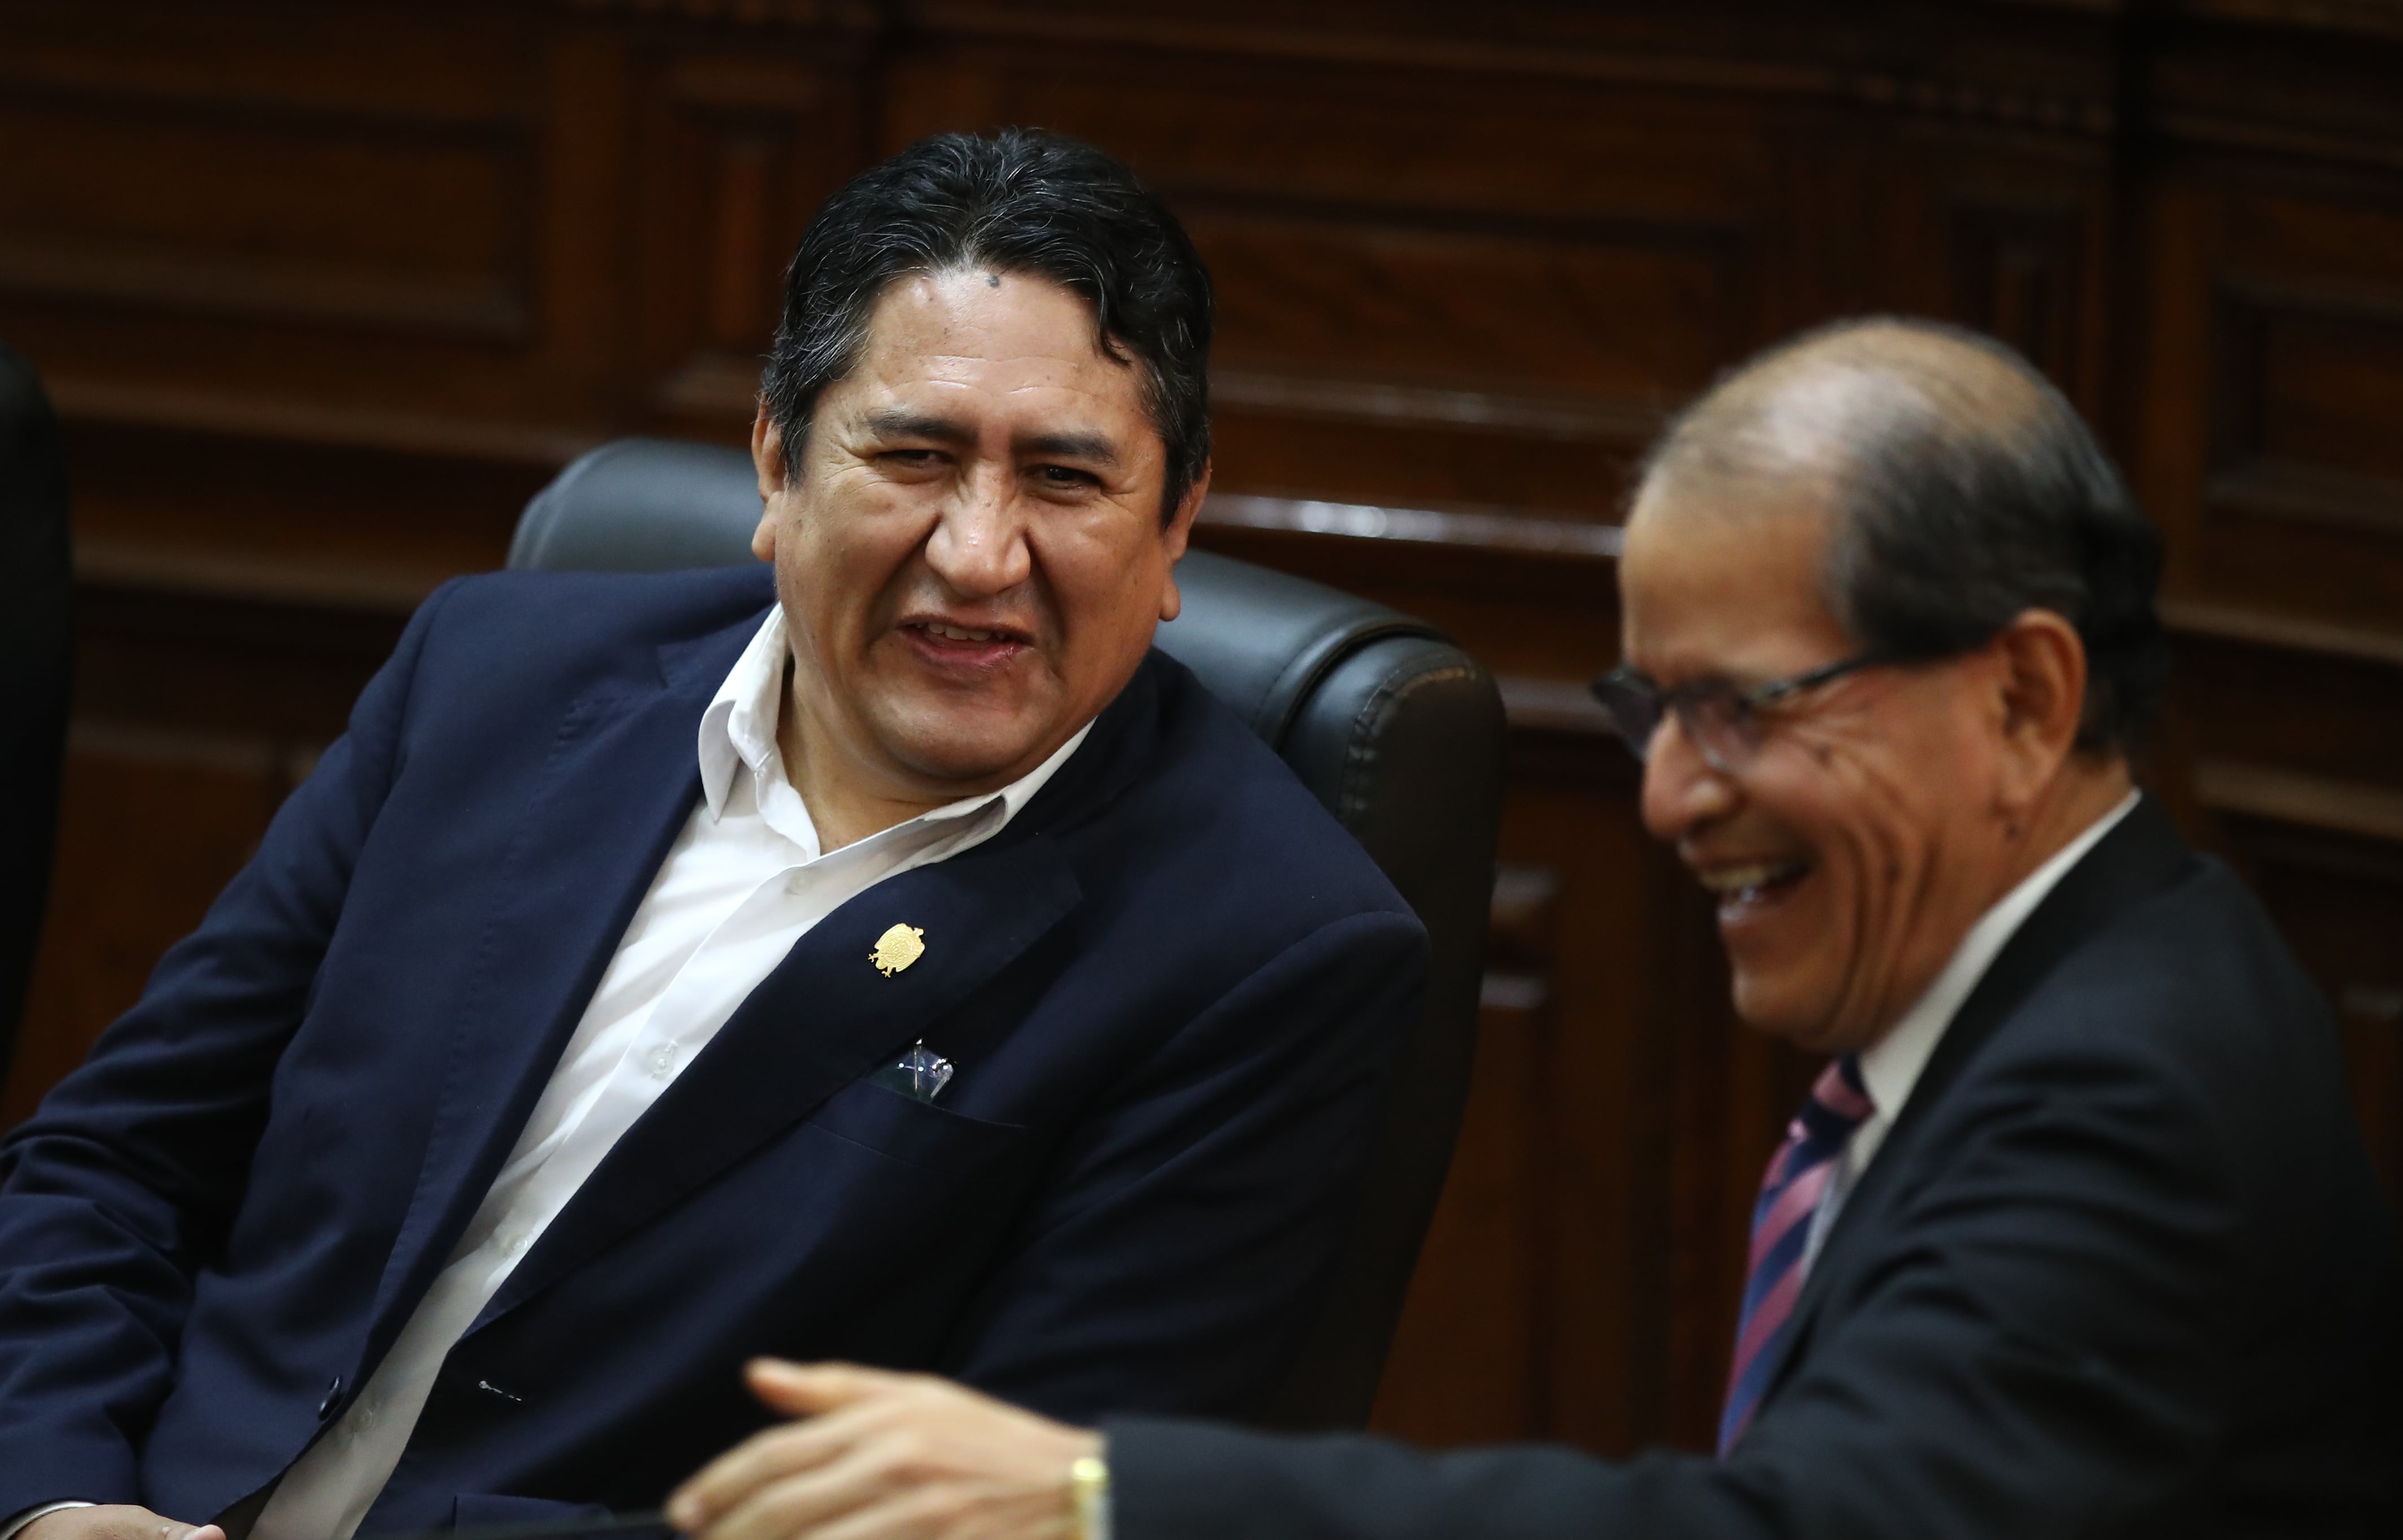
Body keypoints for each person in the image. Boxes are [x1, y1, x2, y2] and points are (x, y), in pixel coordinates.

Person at [667, 319, 2403, 1540]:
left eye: (1744, 712)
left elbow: (1823, 1530)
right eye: (1656, 715)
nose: (1668, 801)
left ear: (2024, 697)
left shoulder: (2126, 1085)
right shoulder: (2075, 988)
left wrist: (1101, 1496)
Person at [0, 132, 1430, 1540]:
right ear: (776, 464)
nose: (980, 555)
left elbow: (987, 1515)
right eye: (911, 459)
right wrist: (49, 1499)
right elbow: (113, 1166)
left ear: (1176, 525)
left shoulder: (1267, 952)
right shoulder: (496, 680)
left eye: (1065, 477)